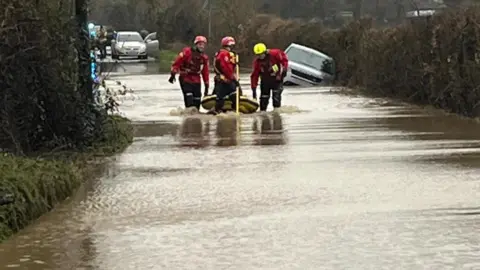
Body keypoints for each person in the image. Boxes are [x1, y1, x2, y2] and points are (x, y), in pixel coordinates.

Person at [168, 36, 209, 110]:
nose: (202, 46)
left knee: (197, 101)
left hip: (196, 79)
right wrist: (173, 74)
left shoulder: (204, 58)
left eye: (203, 45)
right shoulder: (187, 52)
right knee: (189, 99)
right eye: (200, 44)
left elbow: (205, 72)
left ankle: (195, 118)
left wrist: (206, 85)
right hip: (186, 78)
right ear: (196, 44)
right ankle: (188, 117)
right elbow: (177, 63)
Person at [250, 43, 288, 111]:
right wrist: (254, 89)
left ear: (265, 52)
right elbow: (254, 76)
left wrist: (284, 70)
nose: (260, 56)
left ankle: (276, 116)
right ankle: (263, 116)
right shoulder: (257, 62)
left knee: (276, 99)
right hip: (265, 81)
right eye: (258, 55)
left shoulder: (275, 54)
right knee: (263, 101)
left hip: (277, 80)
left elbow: (284, 60)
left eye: (261, 54)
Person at [209, 36, 239, 114]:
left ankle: (229, 110)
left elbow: (231, 68)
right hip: (224, 80)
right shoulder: (224, 54)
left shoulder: (224, 54)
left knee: (233, 96)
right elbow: (226, 68)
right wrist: (233, 79)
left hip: (225, 80)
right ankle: (219, 110)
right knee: (223, 98)